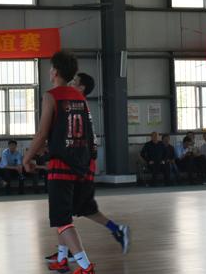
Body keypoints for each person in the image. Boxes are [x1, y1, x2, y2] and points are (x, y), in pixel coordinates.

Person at [42, 72, 130, 265]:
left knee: (68, 211)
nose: (71, 83)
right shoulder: (76, 103)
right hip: (79, 162)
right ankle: (64, 253)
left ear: (81, 88)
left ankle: (72, 255)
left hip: (81, 164)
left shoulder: (76, 104)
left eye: (74, 81)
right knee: (67, 211)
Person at [21, 51, 97, 274]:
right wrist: (51, 145)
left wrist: (27, 158)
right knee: (63, 217)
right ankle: (62, 259)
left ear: (55, 72)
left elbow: (42, 133)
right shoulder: (80, 97)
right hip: (81, 166)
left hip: (61, 167)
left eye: (51, 67)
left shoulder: (51, 95)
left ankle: (86, 267)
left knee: (62, 220)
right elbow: (76, 134)